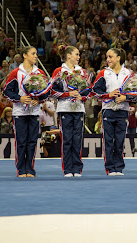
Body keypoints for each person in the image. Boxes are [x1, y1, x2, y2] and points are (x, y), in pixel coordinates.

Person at [2, 46, 50, 177]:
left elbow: (47, 92)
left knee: (32, 141)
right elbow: (6, 92)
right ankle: (21, 169)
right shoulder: (16, 72)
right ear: (24, 55)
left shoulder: (39, 73)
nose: (36, 56)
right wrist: (20, 98)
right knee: (21, 141)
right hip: (19, 112)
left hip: (34, 112)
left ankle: (30, 168)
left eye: (36, 54)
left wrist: (38, 100)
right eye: (33, 53)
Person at [51, 45, 91, 178]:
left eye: (79, 55)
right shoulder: (59, 71)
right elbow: (52, 91)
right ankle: (67, 169)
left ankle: (77, 168)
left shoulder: (82, 72)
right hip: (65, 109)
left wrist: (82, 96)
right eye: (77, 54)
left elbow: (88, 90)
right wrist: (67, 94)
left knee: (77, 139)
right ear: (68, 56)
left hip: (79, 108)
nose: (79, 57)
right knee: (67, 139)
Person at [92, 48, 132, 176]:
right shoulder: (103, 73)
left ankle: (119, 168)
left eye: (111, 57)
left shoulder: (128, 73)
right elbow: (95, 92)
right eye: (107, 57)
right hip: (108, 111)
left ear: (118, 58)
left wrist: (125, 97)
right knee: (108, 141)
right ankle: (110, 168)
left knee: (120, 141)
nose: (108, 59)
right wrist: (108, 94)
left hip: (123, 111)